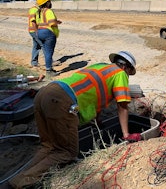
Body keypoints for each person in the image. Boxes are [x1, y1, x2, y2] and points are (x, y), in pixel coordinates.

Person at [8, 51, 139, 189]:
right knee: (66, 152)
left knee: (49, 146)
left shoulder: (100, 67)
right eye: (130, 73)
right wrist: (126, 135)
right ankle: (19, 184)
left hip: (44, 93)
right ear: (126, 68)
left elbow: (95, 94)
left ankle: (15, 179)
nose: (128, 76)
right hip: (61, 101)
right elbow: (122, 106)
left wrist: (97, 119)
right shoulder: (120, 73)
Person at [36, 0, 62, 76]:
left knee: (46, 51)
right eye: (48, 1)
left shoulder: (38, 12)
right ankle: (49, 70)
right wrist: (56, 22)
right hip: (48, 32)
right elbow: (51, 23)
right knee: (49, 52)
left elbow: (40, 22)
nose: (50, 2)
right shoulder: (48, 11)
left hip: (39, 32)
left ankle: (49, 68)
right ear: (46, 3)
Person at [27, 0, 45, 67]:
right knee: (44, 45)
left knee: (36, 46)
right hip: (34, 31)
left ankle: (34, 62)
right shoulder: (34, 10)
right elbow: (33, 21)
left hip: (34, 30)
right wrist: (37, 32)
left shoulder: (37, 9)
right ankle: (50, 61)